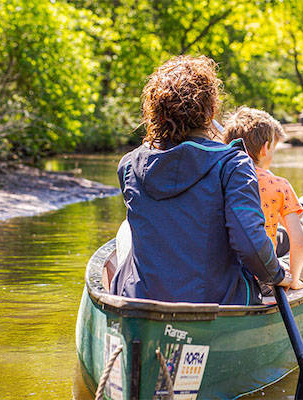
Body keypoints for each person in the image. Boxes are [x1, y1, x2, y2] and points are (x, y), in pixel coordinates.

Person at [109, 56, 291, 305]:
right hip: (219, 301)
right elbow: (249, 244)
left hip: (141, 299)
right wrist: (277, 276)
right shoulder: (234, 164)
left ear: (155, 113)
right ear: (210, 110)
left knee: (124, 231)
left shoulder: (129, 165)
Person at [223, 107, 303, 290]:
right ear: (264, 149)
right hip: (263, 275)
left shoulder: (219, 177)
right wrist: (294, 280)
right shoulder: (279, 185)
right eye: (273, 149)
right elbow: (299, 241)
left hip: (224, 274)